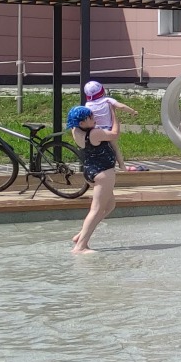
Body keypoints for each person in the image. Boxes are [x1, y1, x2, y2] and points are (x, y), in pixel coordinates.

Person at [67, 104, 119, 255]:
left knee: (110, 206)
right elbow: (115, 134)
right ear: (82, 123)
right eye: (90, 118)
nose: (94, 118)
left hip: (90, 171)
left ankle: (80, 236)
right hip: (103, 173)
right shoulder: (94, 133)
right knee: (96, 210)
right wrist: (113, 113)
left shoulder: (76, 130)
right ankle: (80, 247)